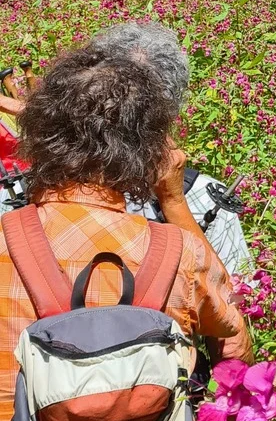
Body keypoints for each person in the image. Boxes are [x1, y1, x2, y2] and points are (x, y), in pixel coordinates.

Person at [0, 44, 253, 418]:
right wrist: (173, 201)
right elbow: (233, 348)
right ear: (150, 149)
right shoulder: (180, 251)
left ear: (38, 135)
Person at [0, 24, 253, 277]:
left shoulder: (20, 196)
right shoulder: (202, 199)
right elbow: (234, 302)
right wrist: (174, 202)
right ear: (169, 115)